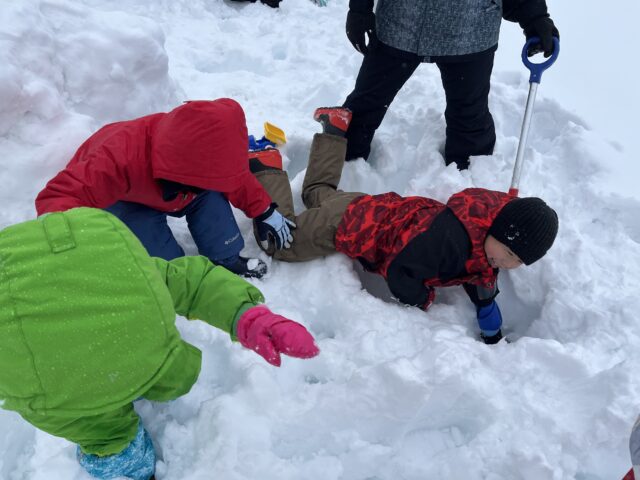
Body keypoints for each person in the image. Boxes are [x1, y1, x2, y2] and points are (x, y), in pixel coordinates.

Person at [0, 207, 319, 480]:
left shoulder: (122, 272)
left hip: (57, 396)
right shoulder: (131, 272)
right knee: (149, 379)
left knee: (107, 437)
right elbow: (193, 283)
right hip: (128, 367)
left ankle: (125, 462)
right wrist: (245, 316)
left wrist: (247, 317)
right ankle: (139, 389)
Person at [249, 107, 558, 344]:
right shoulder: (447, 243)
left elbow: (481, 270)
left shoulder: (482, 227)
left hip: (368, 208)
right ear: (497, 231)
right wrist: (423, 299)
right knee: (278, 241)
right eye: (508, 253)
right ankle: (266, 166)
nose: (507, 263)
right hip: (348, 225)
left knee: (318, 194)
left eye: (517, 261)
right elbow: (400, 272)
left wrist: (487, 309)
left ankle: (334, 129)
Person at [35, 99, 295, 279]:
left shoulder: (206, 151)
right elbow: (59, 195)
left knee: (212, 198)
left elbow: (234, 178)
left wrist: (264, 211)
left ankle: (225, 259)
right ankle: (181, 277)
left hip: (180, 183)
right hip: (126, 198)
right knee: (168, 265)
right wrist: (63, 245)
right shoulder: (117, 158)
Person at [342, 0, 560, 169]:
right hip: (400, 23)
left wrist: (535, 17)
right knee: (363, 109)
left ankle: (468, 193)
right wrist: (359, 9)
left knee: (469, 121)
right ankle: (336, 173)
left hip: (471, 30)